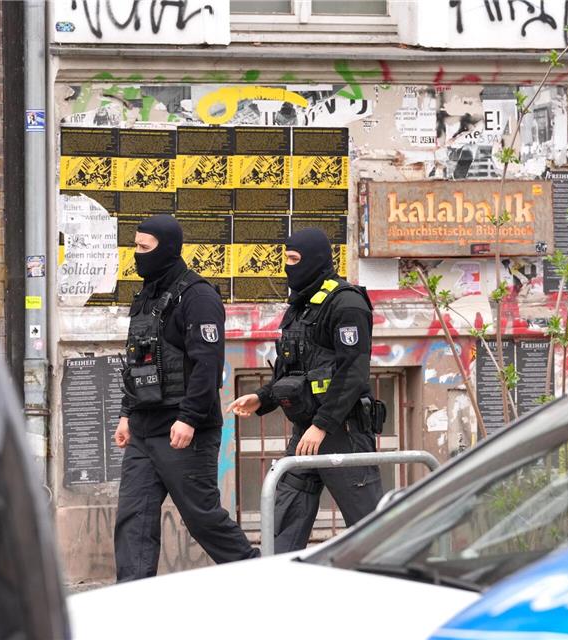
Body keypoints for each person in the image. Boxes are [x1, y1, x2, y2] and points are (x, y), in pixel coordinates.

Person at [113, 214, 257, 581]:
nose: (137, 255)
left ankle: (258, 576)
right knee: (134, 519)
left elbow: (208, 363)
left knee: (202, 518)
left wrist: (190, 418)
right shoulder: (146, 296)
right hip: (145, 429)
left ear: (169, 248)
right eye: (136, 247)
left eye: (144, 248)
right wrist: (127, 413)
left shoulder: (199, 297)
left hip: (183, 430)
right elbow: (137, 359)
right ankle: (130, 600)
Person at [227, 228, 384, 553]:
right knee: (283, 523)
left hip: (343, 431)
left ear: (313, 260)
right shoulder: (301, 307)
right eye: (286, 259)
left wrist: (322, 425)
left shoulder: (347, 304)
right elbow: (293, 371)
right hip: (307, 432)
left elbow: (352, 373)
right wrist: (262, 398)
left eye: (294, 260)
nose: (288, 267)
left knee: (372, 531)